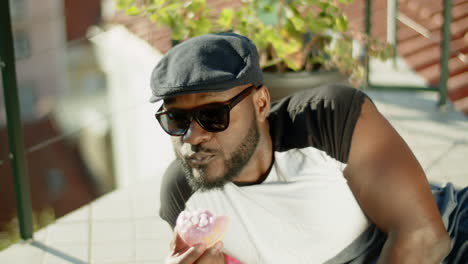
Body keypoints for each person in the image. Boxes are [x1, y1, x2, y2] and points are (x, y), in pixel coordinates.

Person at [150, 33, 464, 263]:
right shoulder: (183, 194)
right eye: (176, 119)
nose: (193, 136)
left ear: (260, 104)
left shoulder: (327, 119)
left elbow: (424, 238)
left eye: (212, 115)